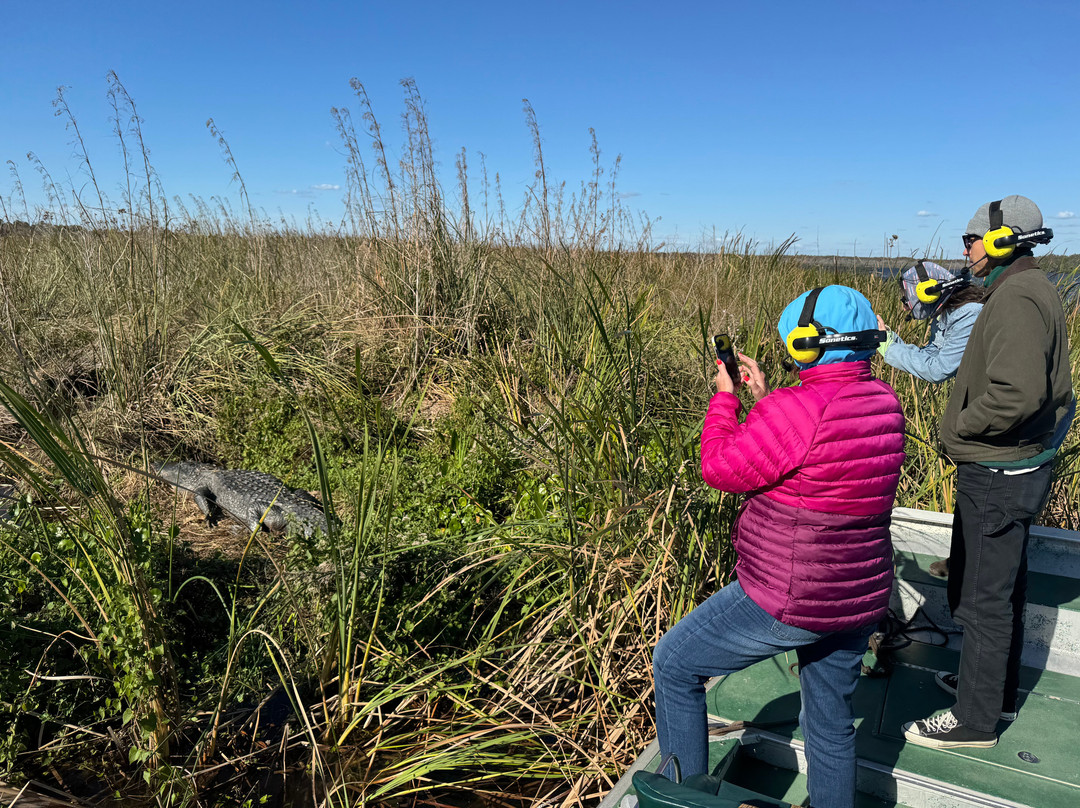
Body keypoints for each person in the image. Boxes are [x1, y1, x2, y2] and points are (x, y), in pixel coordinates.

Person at [652, 285, 905, 808]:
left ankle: (684, 800)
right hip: (858, 597)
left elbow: (721, 468)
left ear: (809, 344)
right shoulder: (883, 402)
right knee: (830, 721)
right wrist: (766, 401)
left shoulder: (796, 407)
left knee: (675, 662)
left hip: (794, 594)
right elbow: (816, 456)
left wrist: (726, 399)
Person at [902, 195, 1074, 750]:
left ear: (1003, 241)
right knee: (1001, 588)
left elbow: (1018, 395)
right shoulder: (1030, 289)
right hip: (1013, 469)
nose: (966, 250)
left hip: (998, 474)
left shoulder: (1018, 298)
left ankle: (974, 722)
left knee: (981, 600)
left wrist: (959, 433)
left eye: (971, 239)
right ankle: (991, 693)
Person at [877, 261, 985, 578]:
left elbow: (936, 369)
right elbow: (931, 354)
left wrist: (886, 345)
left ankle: (972, 568)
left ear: (928, 291)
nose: (906, 304)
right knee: (971, 491)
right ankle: (964, 561)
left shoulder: (969, 315)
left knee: (980, 495)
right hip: (976, 415)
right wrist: (889, 338)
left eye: (906, 297)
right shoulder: (952, 312)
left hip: (990, 417)